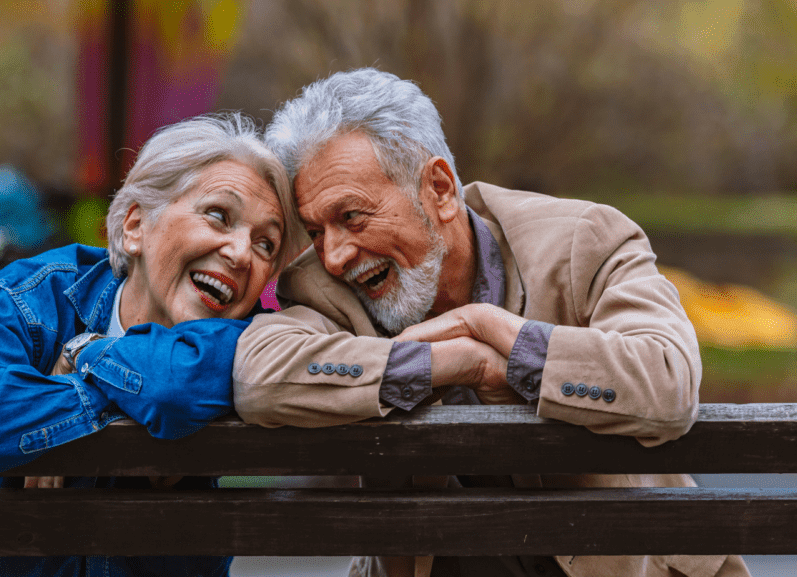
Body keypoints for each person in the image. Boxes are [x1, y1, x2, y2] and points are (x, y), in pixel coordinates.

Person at [232, 68, 750, 577]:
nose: (336, 255)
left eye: (352, 217)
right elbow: (259, 378)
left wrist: (500, 335)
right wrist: (451, 363)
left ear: (438, 188)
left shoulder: (584, 240)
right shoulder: (322, 286)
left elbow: (668, 379)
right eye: (316, 230)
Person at [0, 112, 302, 577]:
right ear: (135, 225)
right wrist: (110, 394)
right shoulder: (29, 300)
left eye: (265, 244)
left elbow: (171, 389)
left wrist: (87, 355)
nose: (241, 253)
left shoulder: (257, 338)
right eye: (219, 215)